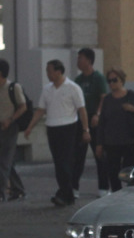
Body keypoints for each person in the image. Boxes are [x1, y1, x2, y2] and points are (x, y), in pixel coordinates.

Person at [24, 58, 90, 206]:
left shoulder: (73, 88)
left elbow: (82, 109)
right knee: (58, 162)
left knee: (65, 161)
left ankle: (66, 193)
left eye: (50, 70)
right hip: (52, 127)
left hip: (68, 127)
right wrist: (30, 126)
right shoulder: (47, 89)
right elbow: (41, 110)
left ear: (58, 71)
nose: (47, 73)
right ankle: (66, 193)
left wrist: (86, 130)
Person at [0, 59, 28, 204]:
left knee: (4, 161)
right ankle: (18, 189)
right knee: (6, 162)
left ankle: (1, 192)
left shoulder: (13, 87)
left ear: (0, 72)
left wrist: (10, 119)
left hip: (9, 127)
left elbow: (23, 106)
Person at [95, 68, 134, 192]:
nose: (111, 83)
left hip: (129, 140)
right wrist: (99, 143)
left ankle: (130, 193)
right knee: (113, 172)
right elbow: (102, 122)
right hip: (111, 142)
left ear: (122, 80)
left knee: (130, 171)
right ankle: (116, 193)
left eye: (114, 80)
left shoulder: (132, 96)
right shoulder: (107, 99)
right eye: (109, 81)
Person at [72, 47, 110, 198]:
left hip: (95, 119)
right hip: (80, 120)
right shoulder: (78, 80)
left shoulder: (98, 78)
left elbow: (103, 97)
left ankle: (103, 187)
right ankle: (74, 187)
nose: (78, 61)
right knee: (77, 156)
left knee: (99, 154)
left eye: (80, 58)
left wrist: (98, 114)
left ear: (88, 60)